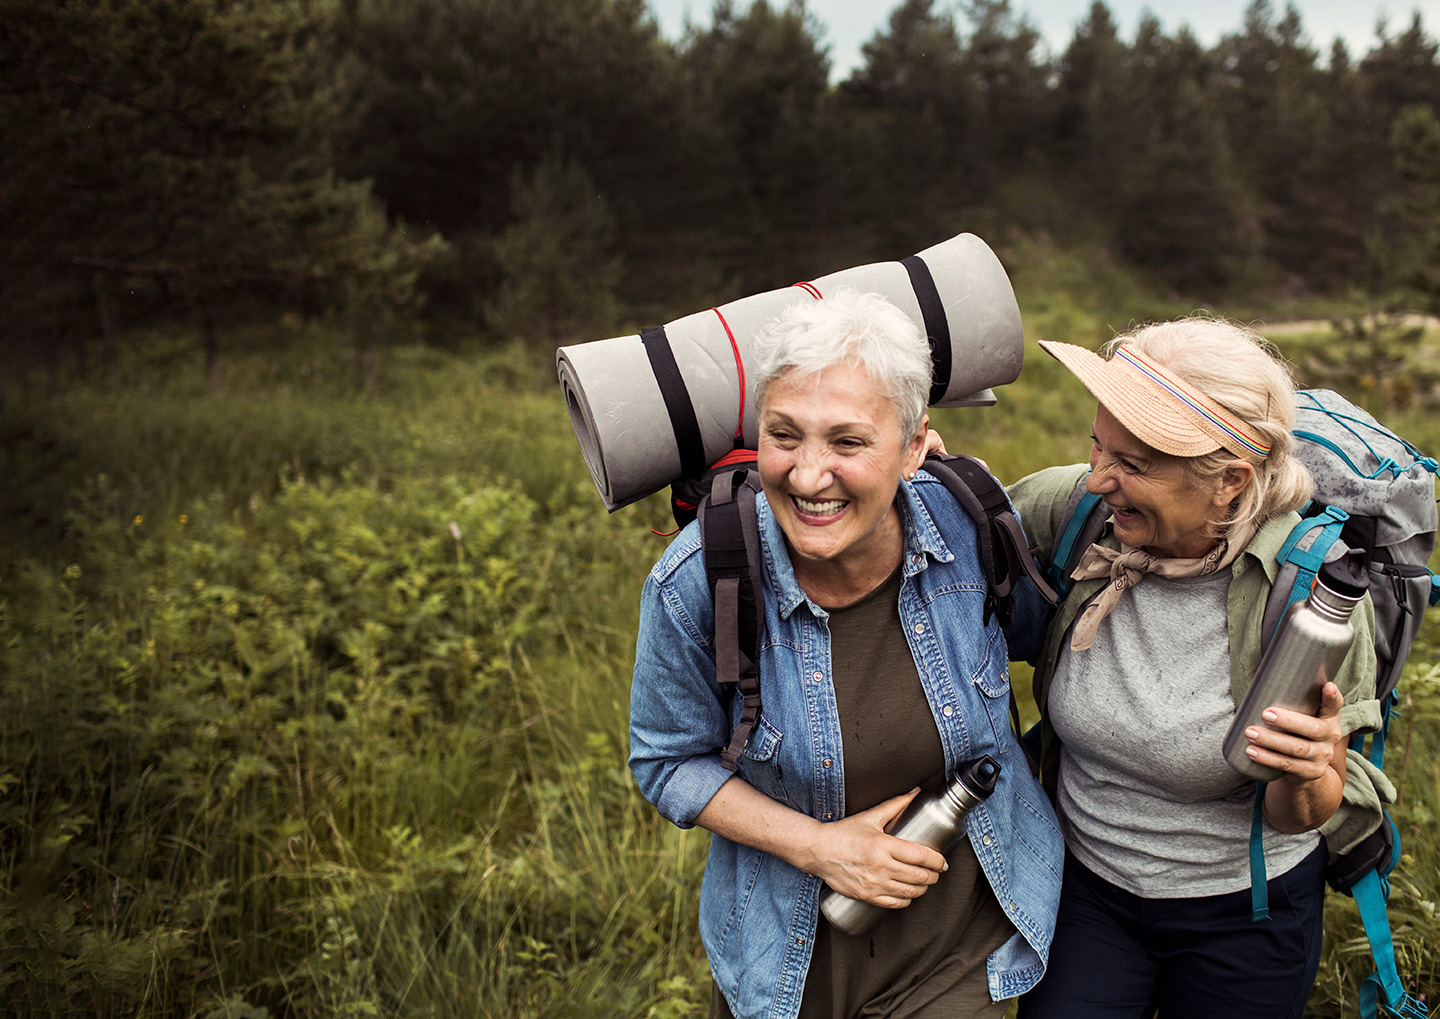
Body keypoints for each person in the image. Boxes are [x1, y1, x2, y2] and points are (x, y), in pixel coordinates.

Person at [628, 289, 1063, 1019]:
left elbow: (1051, 652)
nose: (806, 474)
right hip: (781, 959)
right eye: (784, 434)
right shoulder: (701, 578)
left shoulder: (970, 530)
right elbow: (666, 759)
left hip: (959, 952)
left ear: (917, 447)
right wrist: (819, 846)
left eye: (848, 442)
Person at [1002, 319, 1382, 1019]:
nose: (1098, 477)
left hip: (1244, 913)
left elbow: (1305, 811)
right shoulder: (1079, 513)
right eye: (1097, 443)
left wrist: (1310, 771)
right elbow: (942, 538)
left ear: (1229, 482)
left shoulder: (1308, 596)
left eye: (1135, 464)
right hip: (1088, 891)